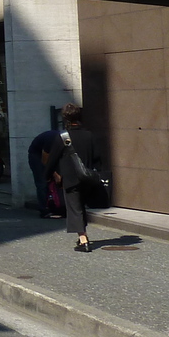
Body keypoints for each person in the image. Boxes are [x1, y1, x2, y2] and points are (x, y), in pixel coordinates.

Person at [53, 102, 102, 253]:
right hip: (87, 177)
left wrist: (49, 175)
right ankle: (83, 235)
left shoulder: (63, 137)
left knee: (75, 208)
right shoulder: (89, 135)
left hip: (70, 178)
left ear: (65, 119)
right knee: (80, 207)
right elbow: (97, 157)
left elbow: (53, 159)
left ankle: (83, 240)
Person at [28, 126, 63, 217]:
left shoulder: (65, 141)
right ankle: (43, 209)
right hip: (37, 155)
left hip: (50, 155)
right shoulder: (52, 140)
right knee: (42, 182)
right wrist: (54, 174)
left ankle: (56, 205)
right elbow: (45, 161)